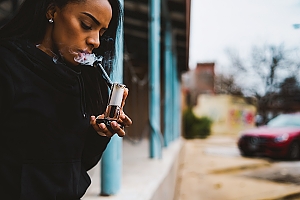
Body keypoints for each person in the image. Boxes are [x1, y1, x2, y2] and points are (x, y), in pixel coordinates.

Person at [0, 0, 132, 199]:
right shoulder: (8, 66)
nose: (95, 41)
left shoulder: (83, 80)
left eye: (102, 32)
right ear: (52, 11)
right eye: (87, 25)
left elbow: (77, 163)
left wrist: (101, 134)